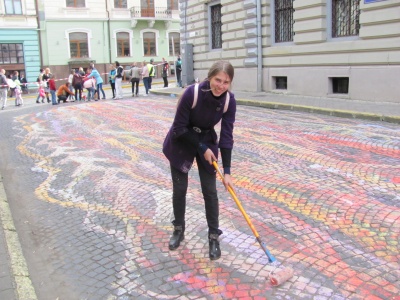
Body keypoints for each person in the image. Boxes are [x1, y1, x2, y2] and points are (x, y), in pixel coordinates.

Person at [162, 60, 236, 261]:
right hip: (182, 139)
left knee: (210, 191)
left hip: (206, 139)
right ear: (210, 77)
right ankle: (178, 229)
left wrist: (227, 171)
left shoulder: (229, 100)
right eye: (217, 80)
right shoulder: (192, 93)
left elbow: (227, 136)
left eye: (225, 82)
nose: (220, 86)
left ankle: (213, 236)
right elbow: (178, 128)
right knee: (180, 189)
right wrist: (201, 148)